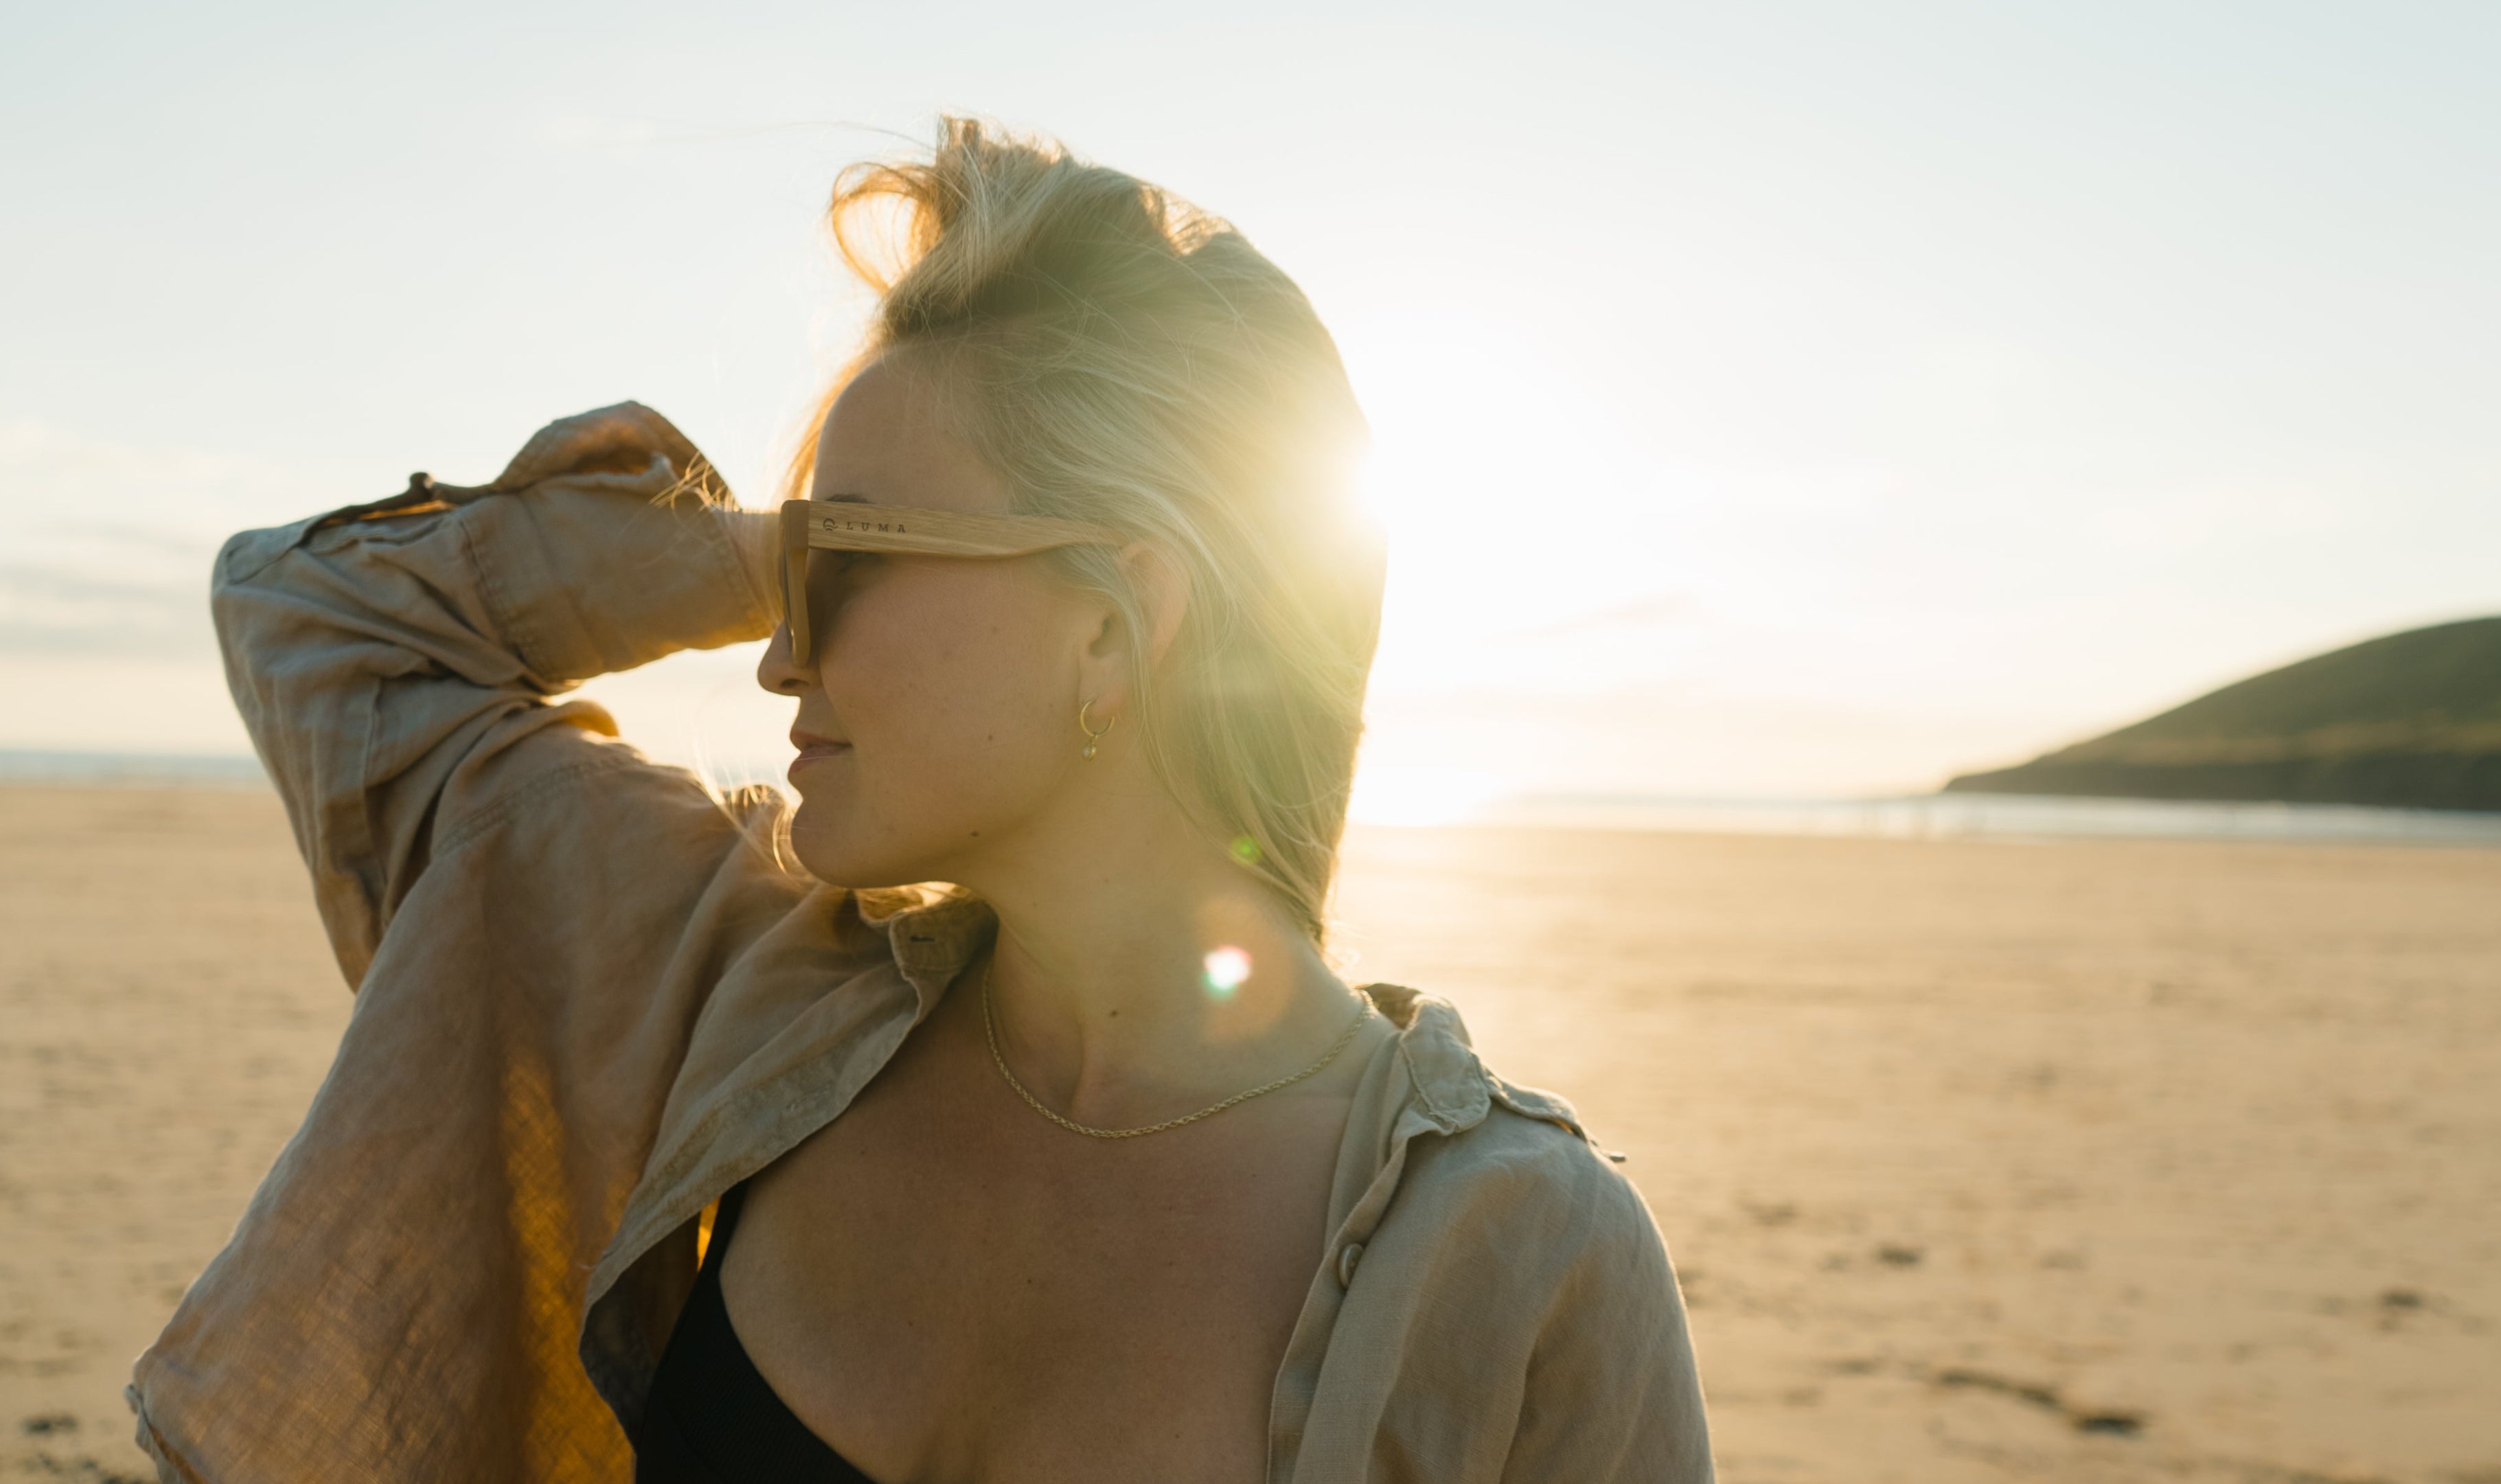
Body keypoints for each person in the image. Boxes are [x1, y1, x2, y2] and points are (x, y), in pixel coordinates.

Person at [126, 117, 1711, 1483]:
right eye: (791, 583)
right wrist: (778, 545)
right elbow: (316, 616)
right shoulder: (731, 982)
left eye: (852, 573)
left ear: (1112, 625)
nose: (774, 664)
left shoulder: (1522, 1264)